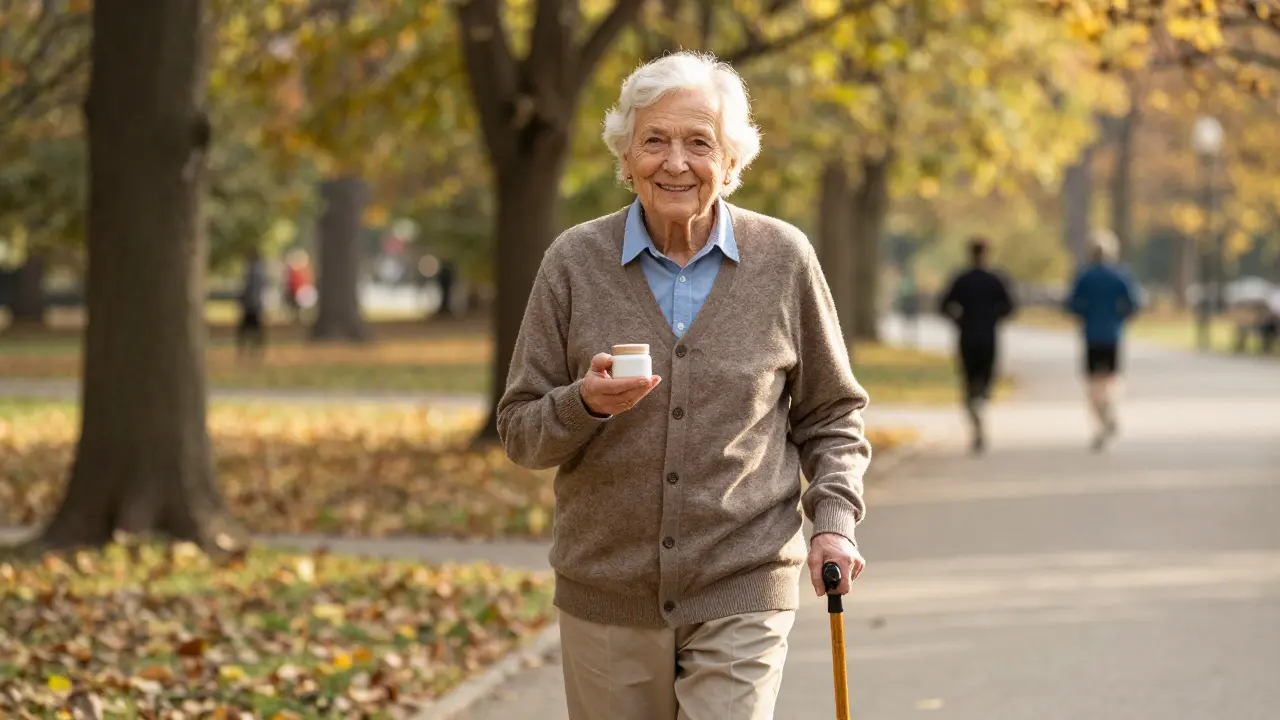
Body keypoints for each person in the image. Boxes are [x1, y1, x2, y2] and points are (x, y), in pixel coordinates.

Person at [496, 52, 871, 720]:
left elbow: (833, 414)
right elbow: (520, 431)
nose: (675, 162)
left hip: (743, 579)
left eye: (700, 143)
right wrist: (582, 403)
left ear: (731, 161)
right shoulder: (574, 263)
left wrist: (834, 524)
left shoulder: (783, 260)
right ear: (626, 156)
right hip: (606, 589)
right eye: (655, 141)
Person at [937, 237, 1016, 454]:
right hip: (988, 337)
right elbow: (1010, 306)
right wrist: (994, 317)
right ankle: (980, 406)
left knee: (969, 380)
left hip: (967, 336)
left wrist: (959, 320)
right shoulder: (996, 279)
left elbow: (943, 305)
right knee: (986, 379)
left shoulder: (961, 279)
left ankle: (974, 414)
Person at [1065, 228, 1141, 451]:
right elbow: (1134, 303)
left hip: (1091, 335)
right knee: (1110, 379)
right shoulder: (1120, 275)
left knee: (1092, 382)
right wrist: (1121, 317)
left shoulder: (1084, 276)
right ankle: (1108, 406)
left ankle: (1100, 421)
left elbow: (1071, 305)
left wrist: (1084, 315)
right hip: (1113, 334)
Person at [236, 247, 267, 359]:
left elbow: (247, 289)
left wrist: (242, 299)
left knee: (245, 330)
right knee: (256, 330)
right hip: (257, 305)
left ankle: (246, 351)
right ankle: (256, 351)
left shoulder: (252, 272)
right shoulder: (261, 271)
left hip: (251, 305)